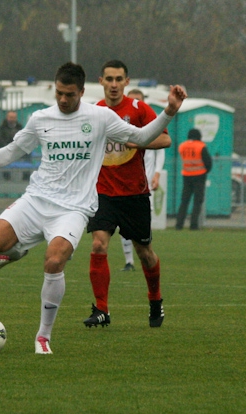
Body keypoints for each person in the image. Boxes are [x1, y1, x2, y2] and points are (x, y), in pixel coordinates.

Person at [0, 62, 186, 354]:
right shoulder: (41, 118)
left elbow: (141, 138)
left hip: (74, 208)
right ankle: (17, 250)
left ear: (81, 91)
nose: (63, 100)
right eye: (59, 93)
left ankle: (43, 336)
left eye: (69, 94)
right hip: (37, 199)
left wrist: (170, 110)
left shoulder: (100, 117)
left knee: (54, 262)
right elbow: (11, 152)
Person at [83, 60, 171, 329]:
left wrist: (138, 140)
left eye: (118, 79)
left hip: (134, 194)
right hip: (103, 193)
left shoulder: (139, 109)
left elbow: (165, 139)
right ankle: (102, 309)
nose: (113, 84)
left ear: (126, 82)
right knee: (98, 244)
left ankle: (155, 299)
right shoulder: (93, 112)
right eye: (108, 79)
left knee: (145, 252)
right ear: (100, 82)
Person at [118, 88, 166, 273]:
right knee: (124, 223)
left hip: (144, 184)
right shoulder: (120, 125)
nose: (135, 104)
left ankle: (145, 256)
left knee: (141, 227)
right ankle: (129, 261)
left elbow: (161, 148)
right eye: (131, 100)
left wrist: (157, 173)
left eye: (139, 100)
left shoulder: (150, 123)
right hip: (125, 182)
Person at [175, 128, 212, 230]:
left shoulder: (182, 146)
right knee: (197, 201)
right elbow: (208, 162)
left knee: (184, 201)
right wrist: (205, 171)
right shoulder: (201, 146)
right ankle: (193, 225)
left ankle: (179, 224)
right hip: (199, 176)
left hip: (186, 175)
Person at [0, 110, 31, 180]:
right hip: (5, 150)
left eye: (14, 117)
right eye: (11, 117)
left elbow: (23, 138)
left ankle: (25, 178)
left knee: (28, 153)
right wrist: (9, 147)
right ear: (7, 117)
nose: (12, 119)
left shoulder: (19, 127)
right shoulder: (1, 128)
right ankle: (6, 179)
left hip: (18, 149)